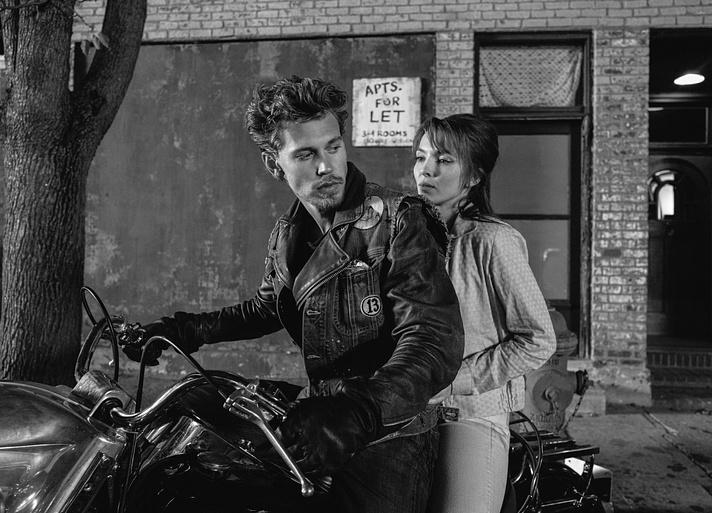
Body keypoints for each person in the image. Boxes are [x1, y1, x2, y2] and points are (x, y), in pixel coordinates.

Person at [124, 76, 464, 513]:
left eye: (333, 147)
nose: (327, 167)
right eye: (306, 154)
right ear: (274, 163)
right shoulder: (288, 234)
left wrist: (358, 411)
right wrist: (185, 329)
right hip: (319, 419)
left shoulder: (397, 221)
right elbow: (267, 307)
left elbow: (432, 341)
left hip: (389, 432)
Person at [412, 114, 556, 513]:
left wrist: (455, 381)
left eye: (443, 160)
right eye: (421, 157)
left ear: (474, 175)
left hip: (471, 414)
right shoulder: (408, 240)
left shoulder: (493, 241)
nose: (426, 170)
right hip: (409, 413)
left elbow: (538, 340)